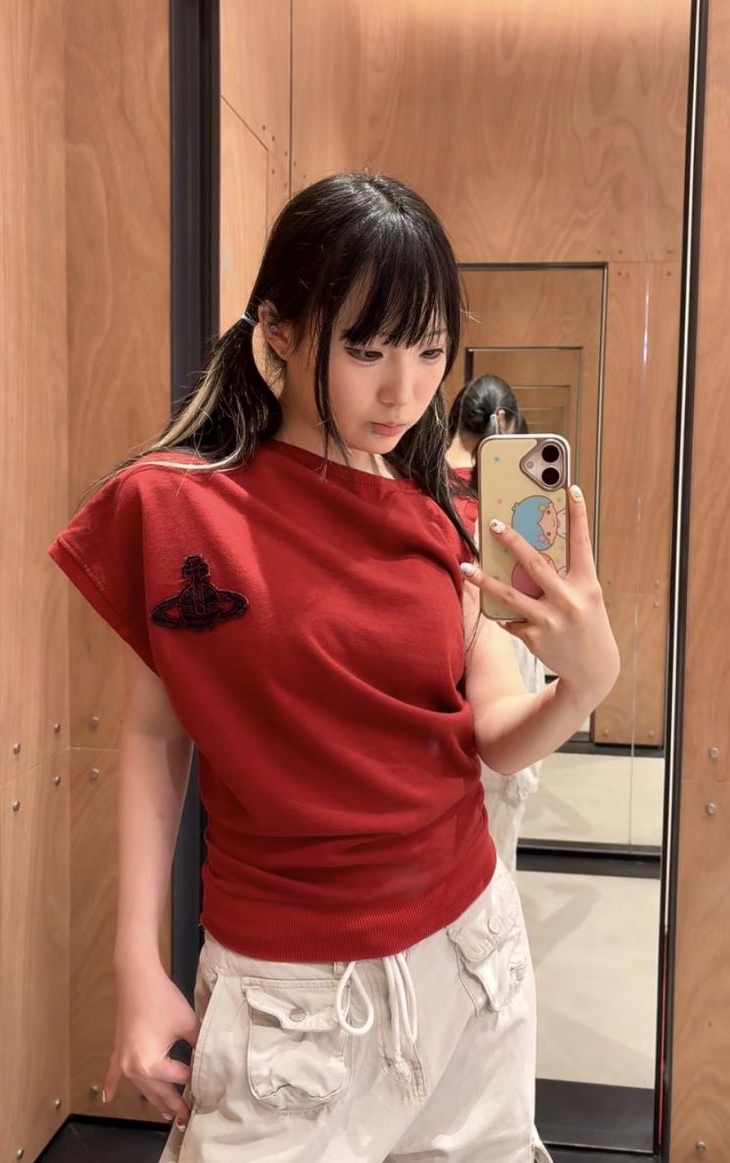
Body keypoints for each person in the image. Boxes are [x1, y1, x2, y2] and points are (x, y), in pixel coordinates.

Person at [48, 172, 619, 1163]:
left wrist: (587, 681)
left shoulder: (443, 516)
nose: (405, 390)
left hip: (471, 959)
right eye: (366, 349)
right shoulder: (180, 508)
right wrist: (136, 959)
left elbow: (492, 736)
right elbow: (155, 729)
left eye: (430, 350)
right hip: (287, 1001)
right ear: (278, 329)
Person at [446, 375, 545, 876]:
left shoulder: (418, 477)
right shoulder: (521, 491)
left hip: (444, 641)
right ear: (510, 423)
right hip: (510, 635)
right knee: (507, 789)